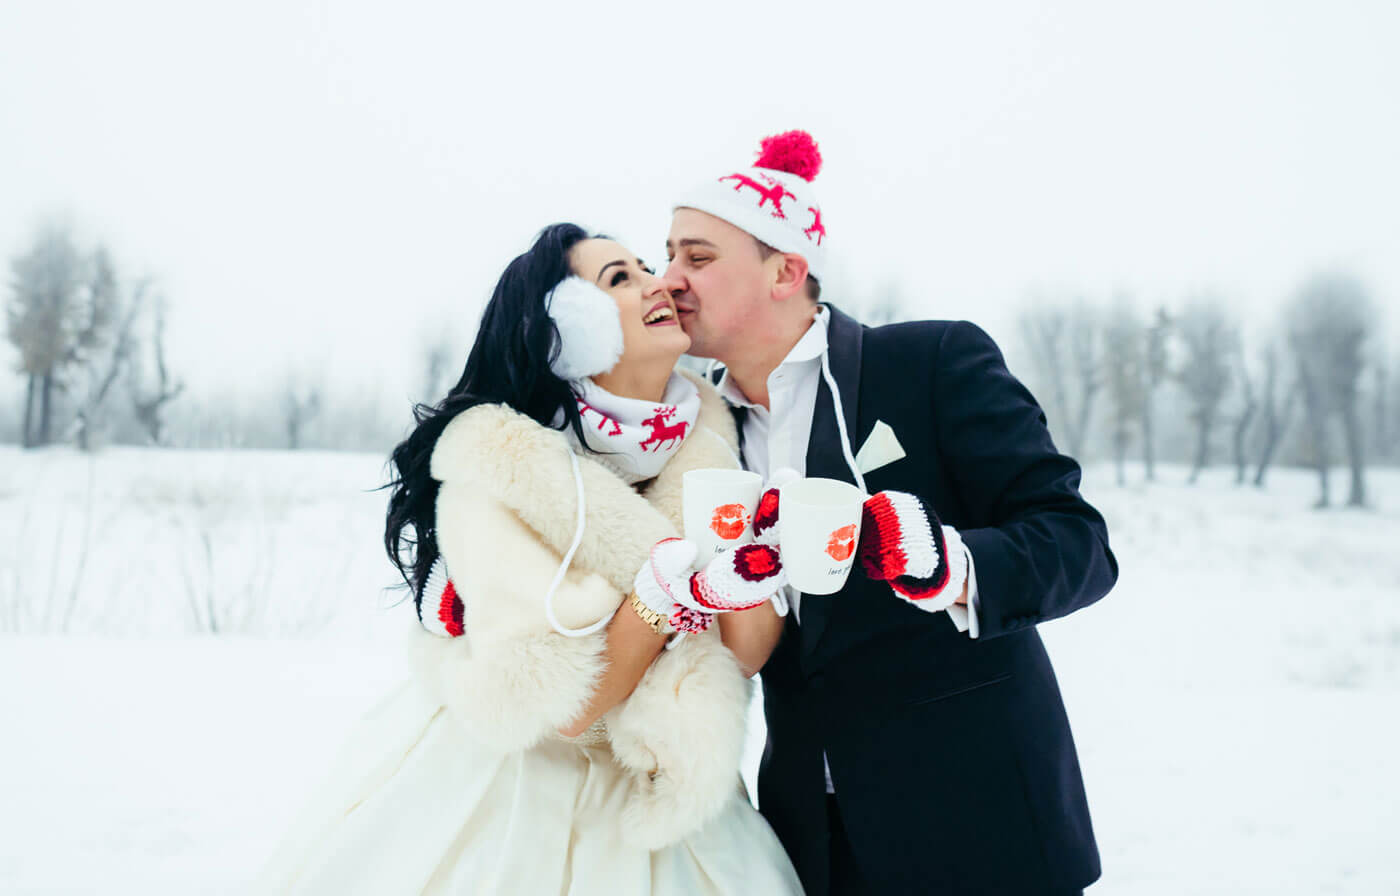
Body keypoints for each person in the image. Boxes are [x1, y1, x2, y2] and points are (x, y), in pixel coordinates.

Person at [254, 223, 804, 894]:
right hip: (507, 790)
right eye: (619, 279)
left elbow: (743, 653)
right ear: (570, 329)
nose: (656, 282)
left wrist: (751, 565)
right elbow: (558, 700)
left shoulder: (712, 443)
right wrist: (670, 592)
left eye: (643, 266)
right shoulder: (501, 462)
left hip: (667, 795)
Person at [661, 131, 1120, 895]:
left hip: (985, 829)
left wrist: (951, 564)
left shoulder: (933, 362)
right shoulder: (699, 428)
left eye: (697, 257)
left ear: (786, 270)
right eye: (667, 254)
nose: (668, 277)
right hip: (811, 844)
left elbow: (1080, 543)